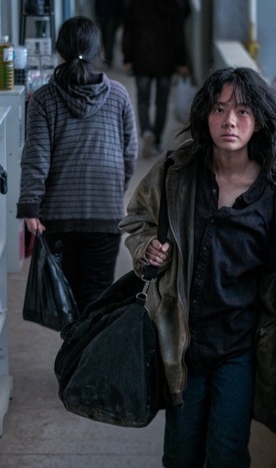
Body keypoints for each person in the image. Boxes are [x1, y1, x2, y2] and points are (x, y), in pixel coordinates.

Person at [119, 67, 276, 467]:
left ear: (259, 121)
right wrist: (146, 248)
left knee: (226, 453)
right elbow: (138, 219)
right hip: (183, 342)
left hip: (240, 348)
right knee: (180, 455)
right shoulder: (177, 173)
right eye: (219, 108)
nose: (229, 121)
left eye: (243, 111)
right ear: (205, 115)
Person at [18, 16, 138, 314]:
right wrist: (114, 190)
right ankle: (92, 345)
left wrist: (31, 207)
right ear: (98, 51)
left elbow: (36, 156)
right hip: (105, 215)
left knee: (66, 301)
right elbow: (129, 153)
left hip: (58, 217)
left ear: (59, 51)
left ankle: (74, 346)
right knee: (98, 298)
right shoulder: (119, 95)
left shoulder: (44, 99)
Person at [122, 0, 189, 157]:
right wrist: (181, 62)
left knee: (143, 100)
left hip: (141, 59)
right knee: (162, 102)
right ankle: (157, 140)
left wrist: (127, 58)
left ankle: (146, 131)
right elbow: (179, 34)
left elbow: (128, 32)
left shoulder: (136, 4)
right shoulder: (172, 5)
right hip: (166, 61)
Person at [94, 0, 125, 68]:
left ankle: (108, 58)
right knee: (105, 36)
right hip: (103, 13)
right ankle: (107, 56)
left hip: (113, 14)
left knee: (110, 37)